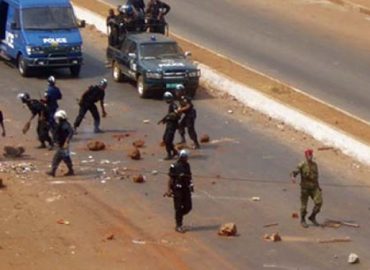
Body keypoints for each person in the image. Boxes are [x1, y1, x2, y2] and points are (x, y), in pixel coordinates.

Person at [291, 149, 323, 228]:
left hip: (314, 187)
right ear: (306, 156)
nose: (310, 157)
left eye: (311, 155)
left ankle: (312, 217)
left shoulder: (315, 165)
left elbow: (316, 177)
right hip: (305, 188)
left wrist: (318, 187)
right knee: (304, 206)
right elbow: (295, 172)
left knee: (319, 202)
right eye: (308, 155)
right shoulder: (302, 164)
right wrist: (293, 177)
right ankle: (302, 219)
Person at [164, 150, 194, 233]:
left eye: (186, 157)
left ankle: (179, 216)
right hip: (177, 189)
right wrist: (168, 190)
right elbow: (170, 178)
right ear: (181, 157)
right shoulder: (174, 166)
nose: (186, 159)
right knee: (178, 207)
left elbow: (189, 176)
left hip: (186, 188)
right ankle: (178, 225)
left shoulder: (187, 165)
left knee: (188, 207)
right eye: (185, 157)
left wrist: (191, 185)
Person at [47, 110, 74, 177]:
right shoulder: (61, 124)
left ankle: (52, 172)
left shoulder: (64, 125)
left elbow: (71, 132)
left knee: (56, 158)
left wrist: (66, 142)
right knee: (66, 157)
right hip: (61, 144)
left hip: (62, 145)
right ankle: (71, 170)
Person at [175, 85, 200, 149]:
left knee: (190, 129)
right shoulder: (180, 98)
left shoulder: (185, 98)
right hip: (187, 115)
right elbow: (182, 108)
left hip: (191, 115)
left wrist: (180, 110)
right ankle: (183, 140)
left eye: (177, 91)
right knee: (180, 125)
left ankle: (196, 144)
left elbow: (188, 106)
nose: (176, 93)